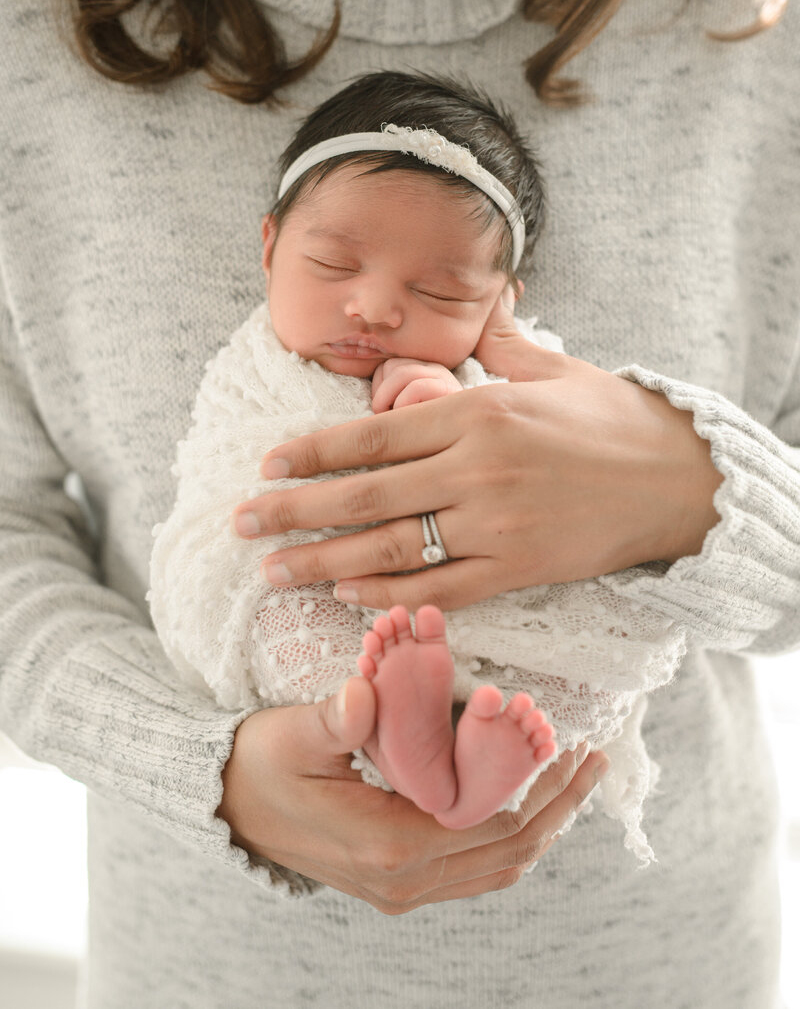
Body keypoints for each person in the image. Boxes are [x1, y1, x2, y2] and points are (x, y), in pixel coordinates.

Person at [0, 0, 798, 1006]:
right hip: (208, 975)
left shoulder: (758, 25)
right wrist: (204, 764)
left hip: (655, 968)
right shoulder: (33, 34)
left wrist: (701, 494)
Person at [149, 69, 685, 852]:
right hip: (329, 600)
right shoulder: (252, 371)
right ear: (269, 246)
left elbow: (538, 449)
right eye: (333, 267)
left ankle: (464, 757)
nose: (374, 308)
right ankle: (411, 743)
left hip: (487, 600)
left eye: (438, 293)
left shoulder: (487, 376)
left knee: (586, 643)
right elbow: (226, 473)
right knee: (285, 613)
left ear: (500, 304)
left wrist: (444, 397)